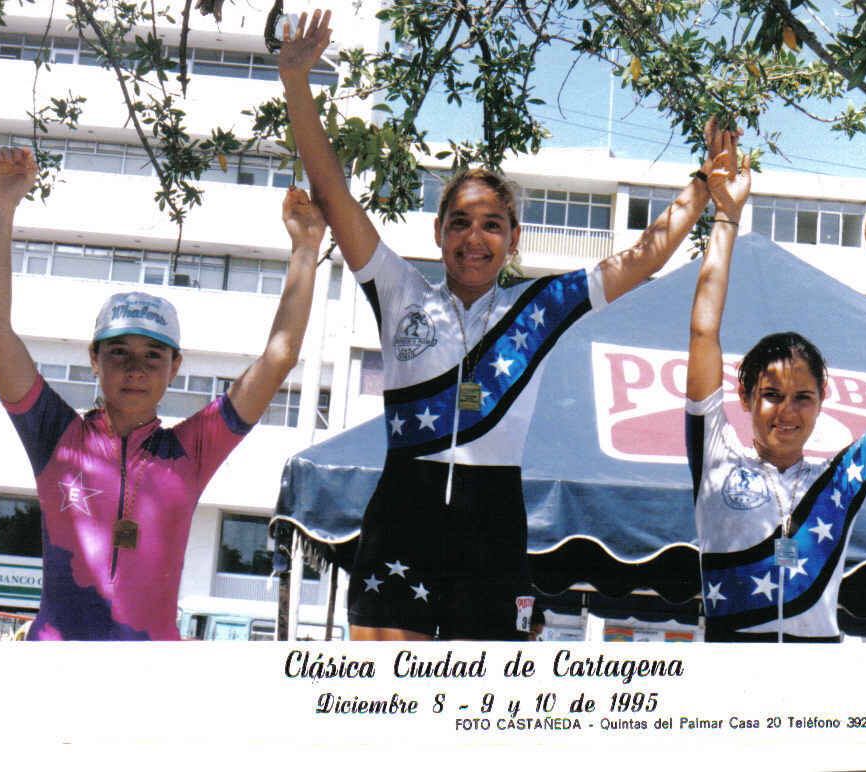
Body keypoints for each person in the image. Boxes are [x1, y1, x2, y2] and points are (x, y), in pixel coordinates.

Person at [278, 9, 729, 641]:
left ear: (513, 239)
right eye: (459, 223)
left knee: (483, 694)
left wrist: (703, 186)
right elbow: (333, 192)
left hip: (492, 525)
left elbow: (642, 258)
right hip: (402, 516)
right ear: (438, 233)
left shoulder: (540, 306)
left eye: (491, 225)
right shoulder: (399, 290)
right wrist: (296, 81)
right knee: (381, 690)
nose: (474, 238)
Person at [0, 146, 325, 640]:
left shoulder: (193, 448)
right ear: (94, 359)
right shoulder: (54, 434)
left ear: (175, 367)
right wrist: (0, 207)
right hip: (51, 666)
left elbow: (279, 357)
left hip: (152, 670)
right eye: (119, 352)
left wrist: (305, 249)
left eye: (153, 355)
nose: (135, 369)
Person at [683, 133, 866, 642]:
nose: (787, 411)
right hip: (727, 671)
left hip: (816, 674)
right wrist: (727, 217)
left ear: (822, 402)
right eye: (772, 395)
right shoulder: (716, 456)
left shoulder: (840, 482)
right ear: (745, 398)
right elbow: (703, 333)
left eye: (803, 398)